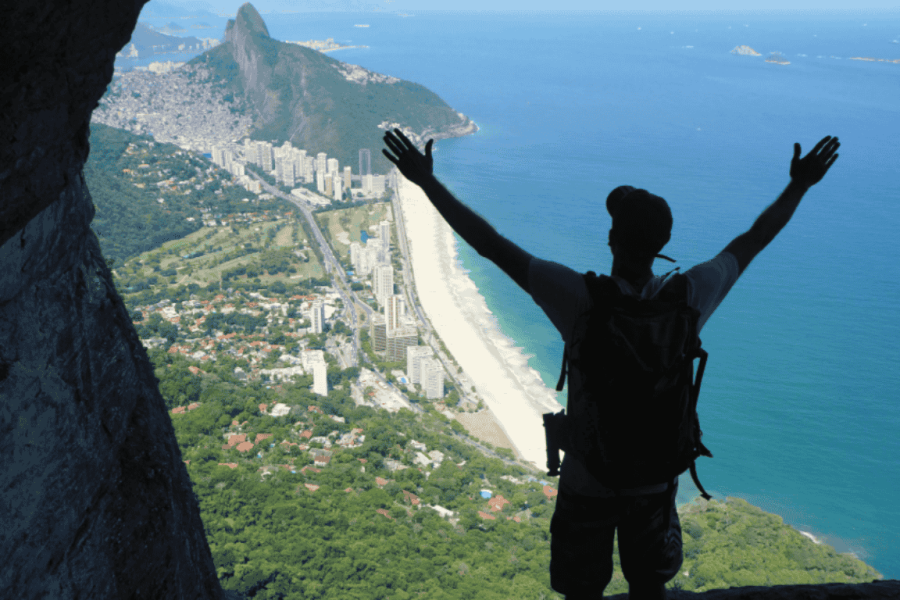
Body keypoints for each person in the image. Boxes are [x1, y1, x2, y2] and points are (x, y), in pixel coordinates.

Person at [383, 129, 839, 599]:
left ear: (611, 238)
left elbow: (491, 245)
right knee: (650, 586)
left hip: (589, 478)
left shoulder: (579, 299)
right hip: (656, 479)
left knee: (581, 591)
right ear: (663, 240)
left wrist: (426, 183)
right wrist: (799, 185)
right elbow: (752, 241)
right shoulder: (689, 298)